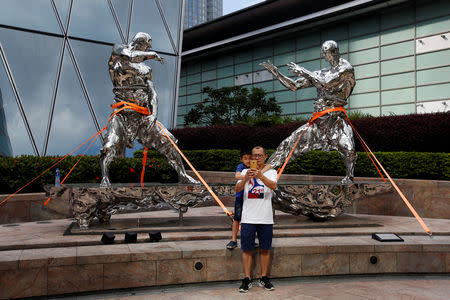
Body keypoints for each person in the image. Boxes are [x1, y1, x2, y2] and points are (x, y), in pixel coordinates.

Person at [99, 32, 197, 187]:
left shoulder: (146, 69)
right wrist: (152, 54)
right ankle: (105, 179)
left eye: (149, 48)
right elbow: (129, 55)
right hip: (122, 115)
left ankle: (183, 175)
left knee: (169, 141)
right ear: (141, 43)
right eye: (147, 45)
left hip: (144, 117)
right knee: (110, 145)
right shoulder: (117, 54)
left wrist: (154, 115)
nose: (148, 48)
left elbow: (153, 94)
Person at [260, 40, 357, 184]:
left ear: (334, 51)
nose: (324, 56)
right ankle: (264, 173)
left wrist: (304, 71)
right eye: (323, 53)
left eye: (326, 53)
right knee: (289, 143)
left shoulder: (346, 69)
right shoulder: (321, 72)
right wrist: (277, 74)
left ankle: (349, 178)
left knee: (349, 150)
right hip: (319, 121)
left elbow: (326, 83)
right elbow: (294, 85)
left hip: (336, 119)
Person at [236, 146, 277, 292]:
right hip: (248, 217)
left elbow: (273, 186)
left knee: (265, 249)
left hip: (265, 218)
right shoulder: (245, 172)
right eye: (255, 155)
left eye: (260, 155)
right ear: (251, 158)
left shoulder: (272, 172)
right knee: (247, 249)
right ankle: (247, 279)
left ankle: (264, 277)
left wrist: (261, 176)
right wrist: (246, 178)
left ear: (265, 156)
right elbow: (237, 189)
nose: (257, 158)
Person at [226, 151, 251, 249]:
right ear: (241, 159)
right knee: (237, 218)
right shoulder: (241, 167)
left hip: (251, 198)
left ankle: (250, 240)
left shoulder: (256, 167)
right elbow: (237, 176)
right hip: (240, 197)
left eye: (250, 158)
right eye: (245, 158)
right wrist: (247, 176)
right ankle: (234, 240)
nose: (248, 160)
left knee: (250, 220)